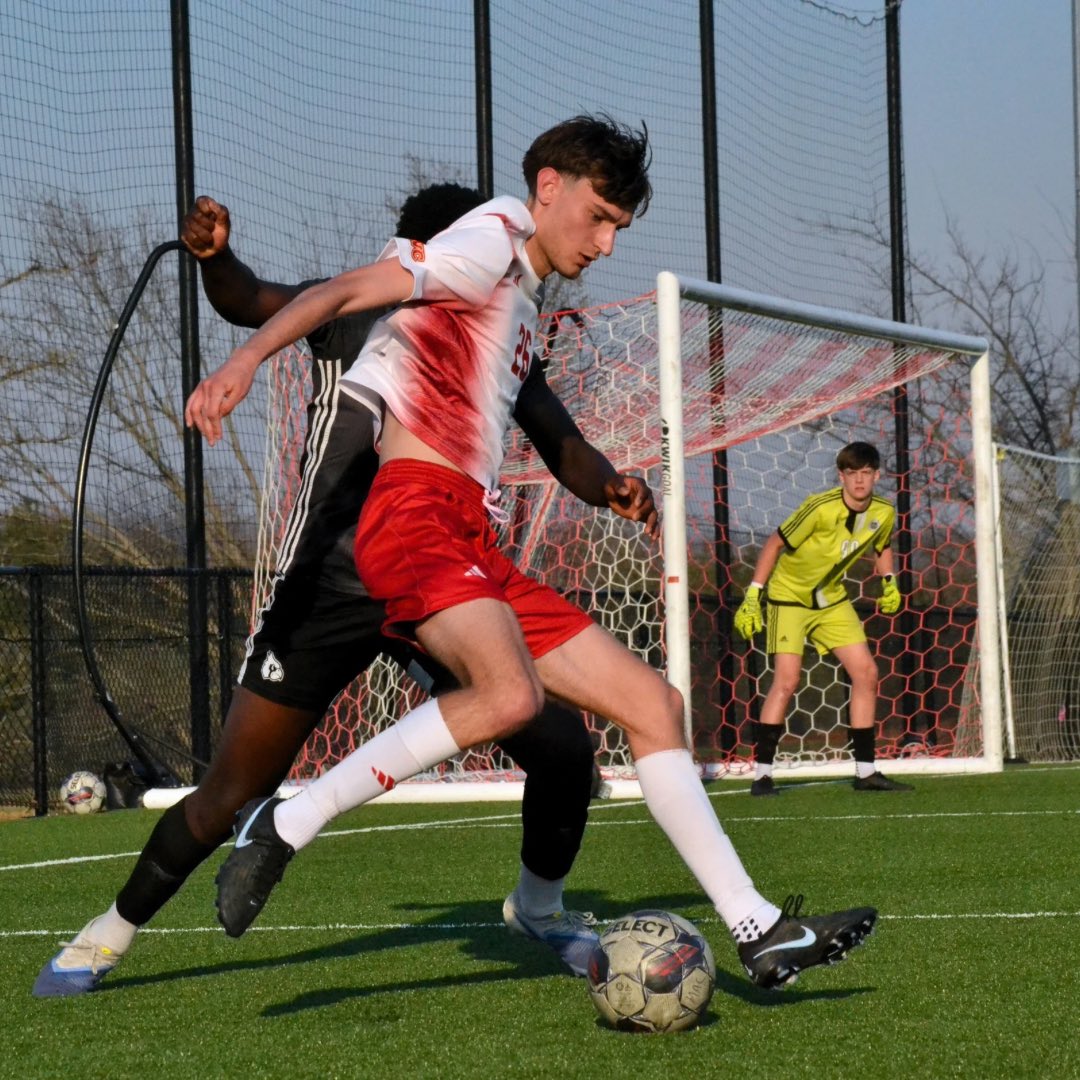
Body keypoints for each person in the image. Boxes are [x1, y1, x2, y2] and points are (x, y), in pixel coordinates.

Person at [206, 114, 877, 991]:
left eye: (619, 229)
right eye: (597, 217)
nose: (604, 243)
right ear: (548, 185)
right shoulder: (491, 233)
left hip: (468, 535)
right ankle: (288, 822)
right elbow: (340, 293)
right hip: (409, 519)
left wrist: (609, 484)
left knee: (652, 705)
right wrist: (246, 361)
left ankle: (757, 930)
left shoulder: (518, 299)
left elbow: (548, 430)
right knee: (509, 693)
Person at [33, 183, 655, 998]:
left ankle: (539, 909)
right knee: (233, 790)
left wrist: (612, 485)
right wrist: (216, 259)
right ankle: (105, 935)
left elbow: (562, 440)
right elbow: (251, 302)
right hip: (329, 583)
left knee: (563, 746)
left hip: (434, 579)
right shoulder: (363, 303)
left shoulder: (499, 330)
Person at [733, 441, 914, 796]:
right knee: (786, 682)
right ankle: (763, 776)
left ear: (877, 475)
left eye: (866, 474)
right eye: (852, 474)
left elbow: (882, 545)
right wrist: (754, 593)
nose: (859, 481)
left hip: (832, 600)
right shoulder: (819, 508)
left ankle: (865, 773)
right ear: (841, 476)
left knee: (867, 672)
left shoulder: (884, 511)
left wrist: (889, 580)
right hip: (789, 599)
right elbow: (774, 543)